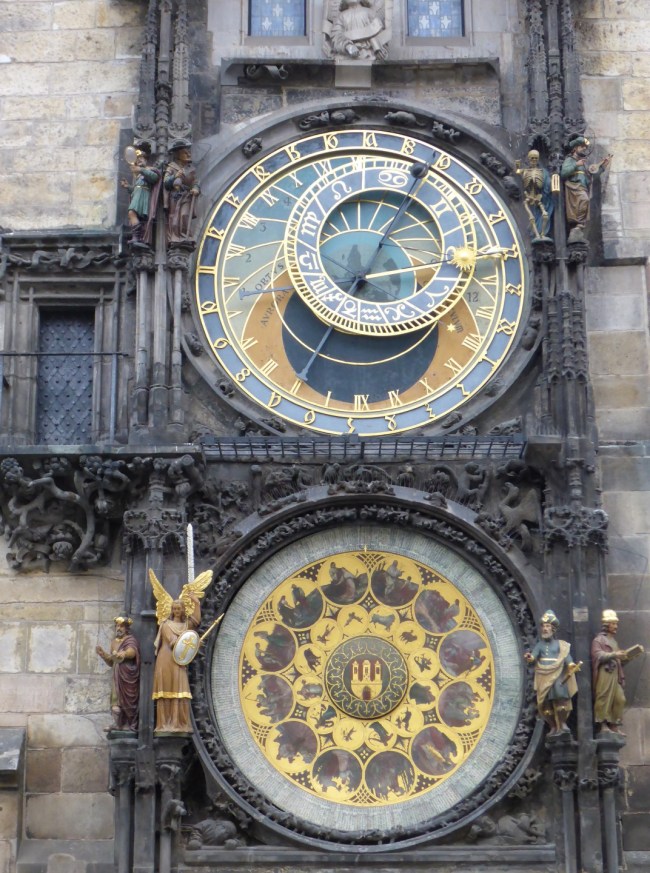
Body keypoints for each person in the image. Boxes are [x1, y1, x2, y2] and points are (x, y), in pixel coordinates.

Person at [149, 568, 213, 733]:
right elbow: (173, 642)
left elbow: (196, 621)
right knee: (166, 689)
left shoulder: (185, 625)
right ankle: (164, 724)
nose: (176, 611)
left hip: (179, 660)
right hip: (166, 659)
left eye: (179, 609)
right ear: (171, 610)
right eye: (174, 609)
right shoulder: (166, 625)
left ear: (183, 610)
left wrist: (196, 602)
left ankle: (180, 723)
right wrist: (189, 644)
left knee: (180, 689)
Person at [524, 610, 580, 735]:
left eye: (548, 626)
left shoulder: (560, 645)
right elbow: (533, 656)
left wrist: (571, 665)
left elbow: (566, 656)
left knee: (561, 698)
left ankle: (562, 723)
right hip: (543, 674)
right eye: (543, 626)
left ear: (553, 629)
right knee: (546, 703)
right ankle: (553, 726)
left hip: (557, 674)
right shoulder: (540, 645)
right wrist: (529, 657)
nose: (545, 629)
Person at [591, 608, 644, 734]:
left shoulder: (614, 641)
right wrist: (614, 654)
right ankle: (603, 724)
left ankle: (614, 724)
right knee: (603, 697)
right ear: (606, 625)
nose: (616, 626)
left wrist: (630, 656)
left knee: (620, 699)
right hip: (605, 673)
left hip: (615, 674)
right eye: (613, 624)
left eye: (616, 624)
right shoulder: (598, 640)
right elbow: (597, 655)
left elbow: (619, 659)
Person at [560, 136, 611, 243]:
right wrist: (576, 165)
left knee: (584, 202)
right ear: (575, 148)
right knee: (584, 200)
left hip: (583, 187)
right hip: (574, 188)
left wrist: (602, 167)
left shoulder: (583, 163)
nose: (584, 149)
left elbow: (591, 174)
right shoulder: (570, 160)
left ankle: (579, 226)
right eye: (582, 146)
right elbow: (564, 173)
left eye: (585, 147)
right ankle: (577, 225)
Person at [96, 616, 141, 731]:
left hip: (127, 674)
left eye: (121, 626)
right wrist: (103, 654)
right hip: (117, 674)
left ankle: (129, 724)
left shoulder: (130, 640)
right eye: (117, 626)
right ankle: (117, 724)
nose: (118, 628)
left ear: (127, 628)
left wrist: (124, 653)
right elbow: (112, 661)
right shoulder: (114, 642)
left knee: (128, 700)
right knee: (115, 700)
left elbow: (132, 651)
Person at [121, 145, 161, 247]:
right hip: (138, 195)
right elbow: (135, 189)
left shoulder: (150, 170)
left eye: (141, 159)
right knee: (133, 215)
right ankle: (137, 237)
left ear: (146, 160)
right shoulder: (138, 175)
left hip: (144, 196)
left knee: (131, 213)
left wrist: (141, 170)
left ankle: (137, 236)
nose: (139, 161)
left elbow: (154, 177)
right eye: (137, 159)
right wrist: (127, 187)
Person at [164, 139, 200, 245]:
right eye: (185, 153)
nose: (189, 154)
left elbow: (195, 182)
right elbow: (166, 182)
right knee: (174, 218)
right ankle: (175, 237)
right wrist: (174, 176)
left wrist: (196, 188)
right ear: (178, 155)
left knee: (184, 215)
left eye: (189, 152)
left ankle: (185, 236)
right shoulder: (171, 167)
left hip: (186, 195)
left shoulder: (191, 169)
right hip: (175, 196)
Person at [516, 150, 553, 241]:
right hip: (529, 197)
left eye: (536, 159)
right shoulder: (525, 171)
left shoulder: (542, 171)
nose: (534, 160)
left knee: (545, 214)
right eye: (532, 158)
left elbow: (548, 183)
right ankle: (536, 234)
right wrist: (517, 165)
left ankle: (543, 233)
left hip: (539, 197)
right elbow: (518, 171)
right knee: (532, 216)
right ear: (529, 159)